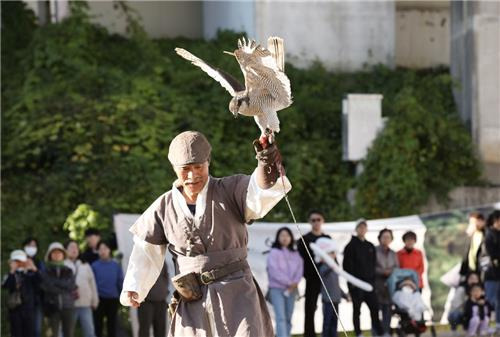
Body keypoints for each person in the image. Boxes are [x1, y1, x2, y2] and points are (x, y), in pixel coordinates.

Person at [120, 131, 291, 337]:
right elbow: (146, 251)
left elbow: (258, 194)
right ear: (174, 169)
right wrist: (134, 286)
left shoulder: (230, 190)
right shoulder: (163, 207)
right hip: (192, 299)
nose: (192, 175)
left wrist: (266, 161)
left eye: (198, 167)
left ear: (208, 163)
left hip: (237, 293)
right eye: (185, 170)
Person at [343, 219, 384, 337]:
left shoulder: (370, 246)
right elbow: (347, 267)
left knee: (374, 309)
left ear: (366, 229)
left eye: (364, 227)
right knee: (357, 310)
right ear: (356, 229)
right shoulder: (350, 246)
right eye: (360, 227)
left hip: (370, 284)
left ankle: (378, 332)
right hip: (356, 285)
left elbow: (373, 265)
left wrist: (373, 283)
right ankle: (358, 333)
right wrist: (352, 284)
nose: (362, 229)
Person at [297, 210, 331, 337]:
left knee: (330, 307)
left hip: (327, 278)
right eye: (313, 220)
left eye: (318, 219)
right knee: (310, 309)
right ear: (309, 222)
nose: (316, 222)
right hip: (312, 279)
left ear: (322, 221)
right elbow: (300, 261)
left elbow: (333, 259)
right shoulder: (304, 239)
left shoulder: (327, 239)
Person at [266, 227, 304, 337]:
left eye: (287, 235)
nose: (285, 238)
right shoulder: (274, 252)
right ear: (278, 237)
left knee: (288, 316)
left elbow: (300, 269)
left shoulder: (295, 254)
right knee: (281, 317)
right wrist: (289, 282)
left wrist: (295, 282)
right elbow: (274, 271)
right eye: (282, 235)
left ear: (291, 238)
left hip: (292, 290)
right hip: (277, 289)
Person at [41, 242, 77, 337]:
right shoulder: (45, 271)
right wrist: (62, 286)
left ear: (63, 255)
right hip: (52, 307)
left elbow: (71, 286)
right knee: (53, 334)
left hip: (68, 306)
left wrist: (55, 283)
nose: (57, 255)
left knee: (69, 334)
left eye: (59, 253)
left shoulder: (69, 270)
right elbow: (47, 287)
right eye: (54, 253)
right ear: (49, 255)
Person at [64, 240, 99, 337]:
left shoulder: (85, 265)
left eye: (76, 247)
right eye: (71, 247)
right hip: (68, 305)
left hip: (85, 304)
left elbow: (92, 284)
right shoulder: (62, 265)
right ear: (65, 250)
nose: (74, 249)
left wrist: (95, 301)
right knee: (67, 333)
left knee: (90, 332)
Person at [3, 249, 40, 337]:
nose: (19, 263)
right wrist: (12, 271)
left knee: (29, 333)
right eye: (16, 261)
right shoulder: (10, 275)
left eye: (21, 261)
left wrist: (33, 268)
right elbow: (6, 286)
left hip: (29, 309)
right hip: (15, 309)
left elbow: (41, 282)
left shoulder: (31, 273)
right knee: (16, 333)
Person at [315, 238, 348, 337]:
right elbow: (322, 274)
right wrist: (330, 266)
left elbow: (337, 285)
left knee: (334, 323)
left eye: (334, 253)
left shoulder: (335, 269)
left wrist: (345, 295)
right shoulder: (323, 267)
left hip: (336, 299)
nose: (333, 255)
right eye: (330, 253)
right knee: (327, 323)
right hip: (327, 300)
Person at [92, 240, 124, 337]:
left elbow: (120, 281)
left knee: (112, 325)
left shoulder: (115, 265)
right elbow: (92, 283)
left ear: (109, 250)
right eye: (100, 249)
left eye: (105, 248)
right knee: (98, 326)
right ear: (97, 251)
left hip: (113, 299)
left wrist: (121, 297)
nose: (103, 251)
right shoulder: (94, 265)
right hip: (98, 299)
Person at [375, 228, 399, 334]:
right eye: (384, 237)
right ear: (380, 238)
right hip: (377, 285)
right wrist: (382, 271)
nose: (386, 239)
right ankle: (376, 333)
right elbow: (371, 266)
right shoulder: (374, 250)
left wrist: (390, 272)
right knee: (375, 311)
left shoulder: (393, 253)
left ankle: (386, 333)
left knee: (388, 311)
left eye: (388, 237)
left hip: (389, 286)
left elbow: (397, 267)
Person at [138, 263, 169, 337]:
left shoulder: (162, 261)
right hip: (146, 301)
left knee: (160, 330)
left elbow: (165, 277)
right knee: (144, 330)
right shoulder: (143, 260)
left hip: (161, 301)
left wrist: (164, 291)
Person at [22, 237, 45, 337]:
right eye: (29, 245)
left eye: (34, 246)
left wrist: (35, 269)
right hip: (21, 303)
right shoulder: (19, 262)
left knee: (36, 330)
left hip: (37, 301)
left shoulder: (39, 263)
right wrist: (24, 270)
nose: (31, 248)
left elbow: (44, 281)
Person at [484, 210, 500, 333]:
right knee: (491, 301)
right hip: (493, 275)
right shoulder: (490, 235)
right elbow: (492, 255)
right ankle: (487, 324)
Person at [460, 212, 487, 278]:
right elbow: (466, 254)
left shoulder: (486, 234)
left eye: (474, 222)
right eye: (471, 223)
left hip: (483, 269)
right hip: (470, 270)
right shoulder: (471, 235)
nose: (472, 225)